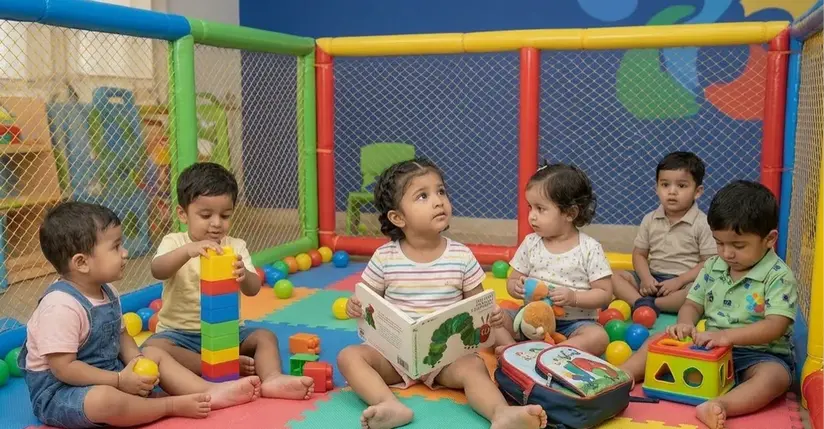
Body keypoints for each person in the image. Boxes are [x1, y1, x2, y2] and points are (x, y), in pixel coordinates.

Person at [337, 159, 547, 429]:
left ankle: (501, 413)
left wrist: (491, 317)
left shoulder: (460, 256)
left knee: (474, 367)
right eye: (423, 196)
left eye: (441, 192)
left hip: (446, 358)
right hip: (394, 355)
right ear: (397, 218)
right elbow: (367, 303)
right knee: (348, 356)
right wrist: (355, 307)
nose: (438, 201)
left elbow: (479, 306)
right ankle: (387, 403)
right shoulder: (384, 257)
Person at [19, 201, 261, 428]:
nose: (125, 253)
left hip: (111, 370)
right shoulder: (61, 307)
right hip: (63, 391)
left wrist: (136, 361)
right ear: (81, 263)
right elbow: (65, 369)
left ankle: (208, 390)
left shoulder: (107, 290)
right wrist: (118, 381)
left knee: (154, 353)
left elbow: (120, 333)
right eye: (115, 247)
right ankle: (168, 405)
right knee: (104, 400)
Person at [620, 181, 797, 429]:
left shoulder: (778, 276)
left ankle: (721, 405)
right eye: (719, 243)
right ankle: (621, 376)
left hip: (761, 354)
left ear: (769, 239)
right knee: (656, 340)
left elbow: (776, 325)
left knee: (775, 379)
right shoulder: (713, 266)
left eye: (738, 245)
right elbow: (693, 304)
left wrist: (727, 336)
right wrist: (684, 325)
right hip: (709, 348)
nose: (727, 253)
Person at [145, 162, 313, 399]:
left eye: (225, 216)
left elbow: (253, 289)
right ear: (182, 213)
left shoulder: (235, 246)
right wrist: (188, 251)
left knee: (265, 337)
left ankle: (273, 379)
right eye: (205, 215)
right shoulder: (175, 242)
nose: (216, 223)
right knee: (153, 349)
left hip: (229, 333)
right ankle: (221, 366)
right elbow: (158, 270)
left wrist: (244, 274)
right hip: (179, 335)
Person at [501, 162, 613, 356]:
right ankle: (513, 350)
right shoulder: (531, 243)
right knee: (494, 318)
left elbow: (605, 294)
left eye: (540, 209)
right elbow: (512, 280)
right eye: (530, 208)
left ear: (570, 213)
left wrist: (574, 297)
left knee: (598, 337)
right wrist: (515, 287)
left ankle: (558, 352)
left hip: (574, 325)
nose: (532, 217)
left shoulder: (589, 249)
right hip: (530, 322)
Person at [613, 152, 716, 314]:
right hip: (652, 279)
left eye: (681, 186)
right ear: (657, 188)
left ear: (697, 191)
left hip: (682, 283)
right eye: (665, 185)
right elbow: (639, 254)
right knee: (614, 277)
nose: (672, 192)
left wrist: (679, 281)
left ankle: (654, 305)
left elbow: (708, 262)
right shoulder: (650, 219)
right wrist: (646, 279)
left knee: (702, 290)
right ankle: (640, 302)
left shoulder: (702, 223)